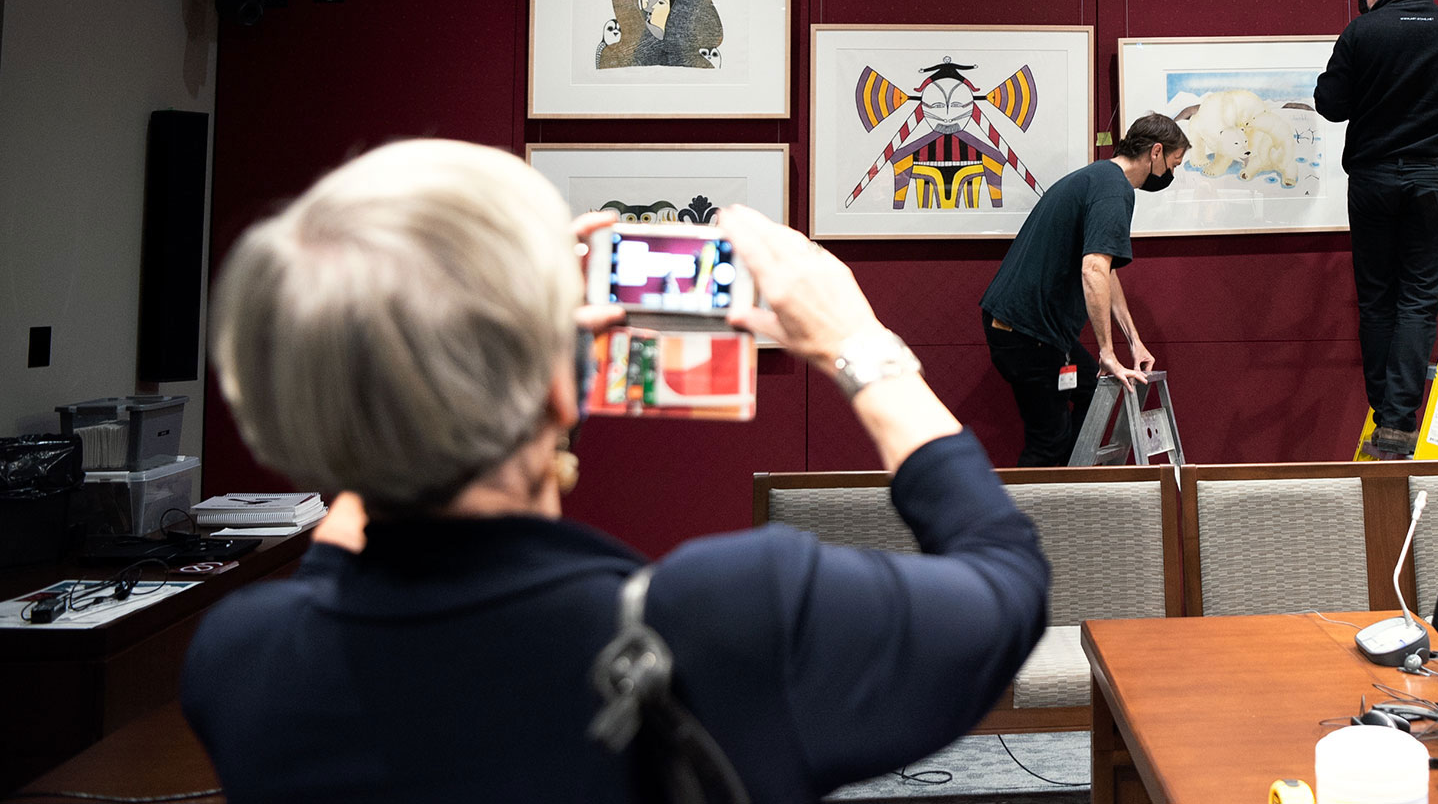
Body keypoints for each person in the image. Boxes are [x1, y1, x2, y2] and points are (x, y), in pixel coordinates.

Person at [181, 139, 1048, 804]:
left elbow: (376, 497)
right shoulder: (732, 615)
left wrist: (509, 368)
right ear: (564, 386)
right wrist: (861, 346)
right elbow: (1006, 582)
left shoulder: (239, 659)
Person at [1314, 0, 1438, 460]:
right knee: (1419, 299)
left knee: (1377, 297)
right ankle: (1402, 422)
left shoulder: (1362, 33)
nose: (1360, 0)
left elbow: (1329, 104)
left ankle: (1386, 415)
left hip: (1374, 179)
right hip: (1432, 179)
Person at [978, 113, 1189, 466]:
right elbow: (1092, 269)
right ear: (1156, 152)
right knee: (1048, 443)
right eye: (1174, 163)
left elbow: (1105, 269)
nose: (1171, 173)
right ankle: (1033, 515)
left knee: (1092, 394)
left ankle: (1070, 481)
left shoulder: (1101, 178)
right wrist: (1107, 350)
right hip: (1024, 332)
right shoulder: (1113, 188)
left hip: (1042, 331)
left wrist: (1133, 341)